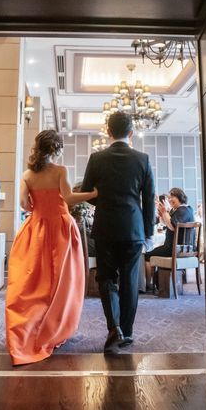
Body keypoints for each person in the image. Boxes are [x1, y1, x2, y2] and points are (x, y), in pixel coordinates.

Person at [5, 130, 97, 365]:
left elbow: (24, 204)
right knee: (61, 281)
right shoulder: (60, 171)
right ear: (56, 148)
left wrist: (37, 205)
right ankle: (53, 328)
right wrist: (93, 194)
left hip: (36, 229)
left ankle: (29, 330)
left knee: (34, 282)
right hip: (60, 229)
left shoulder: (27, 174)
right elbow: (68, 198)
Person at [81, 111, 155, 353]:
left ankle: (114, 327)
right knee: (130, 280)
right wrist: (148, 232)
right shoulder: (143, 159)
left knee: (106, 277)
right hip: (133, 228)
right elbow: (149, 199)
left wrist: (104, 202)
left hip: (105, 226)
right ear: (131, 133)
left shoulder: (97, 158)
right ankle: (127, 331)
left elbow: (86, 192)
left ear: (108, 131)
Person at [144, 188, 195, 293]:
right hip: (178, 247)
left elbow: (172, 226)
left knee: (147, 256)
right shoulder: (184, 209)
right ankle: (154, 283)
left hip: (174, 249)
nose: (170, 199)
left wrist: (165, 212)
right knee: (152, 252)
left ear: (180, 197)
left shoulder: (183, 210)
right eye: (169, 197)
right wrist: (163, 214)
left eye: (172, 197)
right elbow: (166, 224)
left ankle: (148, 285)